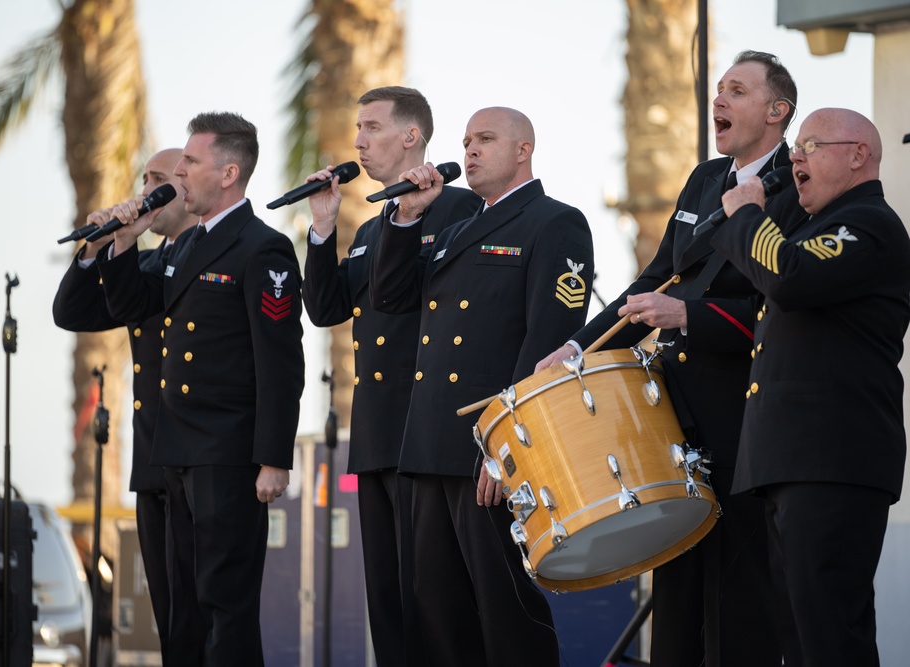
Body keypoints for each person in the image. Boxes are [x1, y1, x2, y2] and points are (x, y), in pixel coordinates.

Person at [537, 50, 803, 666]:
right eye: (719, 91)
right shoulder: (705, 178)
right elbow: (656, 280)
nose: (720, 102)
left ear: (776, 110)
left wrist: (691, 316)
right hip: (671, 413)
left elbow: (781, 300)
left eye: (737, 91)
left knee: (743, 585)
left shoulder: (798, 184)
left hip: (746, 409)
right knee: (677, 573)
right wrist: (580, 347)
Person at [370, 106, 594, 666]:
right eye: (466, 140)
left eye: (486, 139)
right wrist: (406, 217)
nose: (469, 149)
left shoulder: (554, 222)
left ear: (524, 150)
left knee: (506, 613)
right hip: (428, 445)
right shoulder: (453, 230)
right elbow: (392, 298)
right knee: (438, 617)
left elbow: (549, 342)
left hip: (491, 451)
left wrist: (506, 448)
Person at [95, 112, 304, 666]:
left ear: (228, 172)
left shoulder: (263, 248)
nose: (178, 174)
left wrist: (273, 458)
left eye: (190, 162)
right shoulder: (185, 247)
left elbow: (280, 362)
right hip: (178, 453)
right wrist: (123, 243)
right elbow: (134, 307)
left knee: (225, 607)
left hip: (229, 456)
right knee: (184, 611)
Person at [712, 107, 910, 667]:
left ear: (858, 155)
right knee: (798, 639)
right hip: (791, 462)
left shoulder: (867, 223)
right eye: (796, 147)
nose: (795, 156)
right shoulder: (812, 226)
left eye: (811, 145)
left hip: (832, 459)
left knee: (829, 637)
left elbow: (789, 277)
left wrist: (746, 217)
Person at [302, 86, 481, 666]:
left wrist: (411, 218)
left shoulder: (458, 210)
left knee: (435, 597)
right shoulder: (374, 227)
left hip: (426, 431)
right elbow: (326, 310)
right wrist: (324, 228)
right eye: (357, 129)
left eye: (371, 128)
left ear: (412, 136)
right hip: (378, 432)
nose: (358, 142)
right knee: (387, 596)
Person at [52, 148, 196, 665]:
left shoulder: (205, 257)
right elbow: (72, 312)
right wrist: (97, 249)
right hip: (153, 458)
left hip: (202, 460)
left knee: (203, 613)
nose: (146, 191)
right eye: (145, 180)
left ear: (189, 185)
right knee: (169, 615)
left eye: (159, 180)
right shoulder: (146, 260)